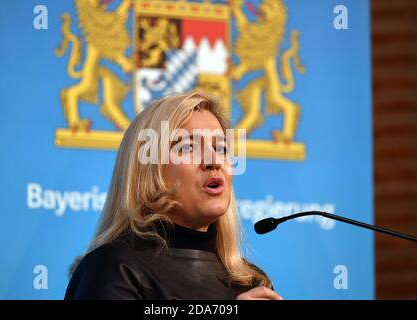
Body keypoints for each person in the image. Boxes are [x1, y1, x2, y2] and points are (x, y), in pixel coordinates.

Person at [64, 92, 282, 300]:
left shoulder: (252, 282)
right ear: (148, 170)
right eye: (188, 147)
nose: (213, 161)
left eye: (221, 148)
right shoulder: (112, 268)